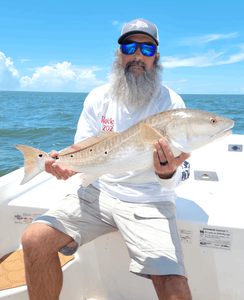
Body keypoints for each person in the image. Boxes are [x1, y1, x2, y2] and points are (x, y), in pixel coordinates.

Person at [22, 18, 192, 300]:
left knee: (173, 283)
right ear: (119, 54)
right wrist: (62, 164)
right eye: (130, 47)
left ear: (157, 58)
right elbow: (82, 148)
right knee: (33, 239)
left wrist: (167, 172)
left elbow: (185, 169)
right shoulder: (97, 97)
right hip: (98, 192)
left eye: (147, 50)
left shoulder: (171, 104)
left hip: (148, 199)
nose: (138, 56)